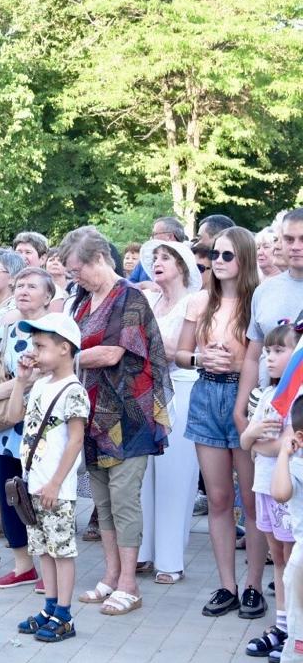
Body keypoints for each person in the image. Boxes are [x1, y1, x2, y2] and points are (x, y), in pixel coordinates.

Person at [60, 226, 171, 616]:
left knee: (124, 499)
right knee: (102, 500)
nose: (75, 278)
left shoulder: (131, 298)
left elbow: (112, 354)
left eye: (77, 270)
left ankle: (129, 584)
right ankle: (110, 575)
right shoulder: (80, 301)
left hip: (130, 414)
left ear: (100, 260)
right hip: (91, 411)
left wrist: (63, 362)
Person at [175, 226, 266, 618]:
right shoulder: (201, 302)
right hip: (206, 393)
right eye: (215, 255)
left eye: (227, 255)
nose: (218, 262)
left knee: (252, 500)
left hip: (244, 397)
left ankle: (254, 585)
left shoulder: (258, 301)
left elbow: (268, 352)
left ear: (244, 259)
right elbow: (178, 353)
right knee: (218, 499)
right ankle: (227, 585)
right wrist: (200, 359)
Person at [0, 267, 56, 589]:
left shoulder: (54, 329)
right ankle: (23, 566)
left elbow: (37, 375)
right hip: (5, 424)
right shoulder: (4, 325)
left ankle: (49, 568)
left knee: (38, 494)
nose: (23, 290)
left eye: (32, 286)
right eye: (20, 285)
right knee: (10, 493)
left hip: (39, 422)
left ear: (48, 295)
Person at [6, 313, 89, 642]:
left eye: (41, 346)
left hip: (56, 486)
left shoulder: (73, 390)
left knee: (61, 551)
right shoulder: (40, 384)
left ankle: (65, 615)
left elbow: (76, 440)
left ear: (65, 349)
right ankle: (49, 607)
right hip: (33, 483)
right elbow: (13, 416)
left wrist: (56, 482)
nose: (34, 352)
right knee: (42, 548)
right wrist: (20, 381)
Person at [135, 240, 203, 584]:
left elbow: (183, 350)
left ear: (183, 266)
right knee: (143, 472)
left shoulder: (195, 302)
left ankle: (171, 560)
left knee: (176, 475)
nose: (158, 263)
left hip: (181, 388)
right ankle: (143, 552)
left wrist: (147, 342)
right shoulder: (149, 300)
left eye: (166, 257)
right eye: (156, 258)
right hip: (147, 389)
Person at [240, 324, 300, 658]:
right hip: (264, 486)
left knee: (294, 562)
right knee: (277, 558)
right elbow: (247, 441)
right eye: (268, 352)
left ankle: (296, 628)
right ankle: (282, 625)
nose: (270, 358)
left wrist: (258, 441)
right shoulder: (266, 394)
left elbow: (286, 443)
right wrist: (255, 437)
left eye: (279, 351)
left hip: (287, 488)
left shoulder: (297, 396)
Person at [241, 209, 303, 402]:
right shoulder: (264, 291)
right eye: (289, 239)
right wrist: (240, 410)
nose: (295, 246)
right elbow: (253, 357)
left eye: (302, 239)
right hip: (269, 410)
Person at [271, 397, 303, 663]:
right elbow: (280, 493)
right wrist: (283, 454)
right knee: (300, 623)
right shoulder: (296, 466)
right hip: (302, 562)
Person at [127, 216, 189, 284]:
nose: (151, 238)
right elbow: (130, 285)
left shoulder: (187, 262)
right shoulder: (146, 259)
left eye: (155, 234)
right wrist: (143, 285)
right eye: (155, 259)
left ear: (170, 236)